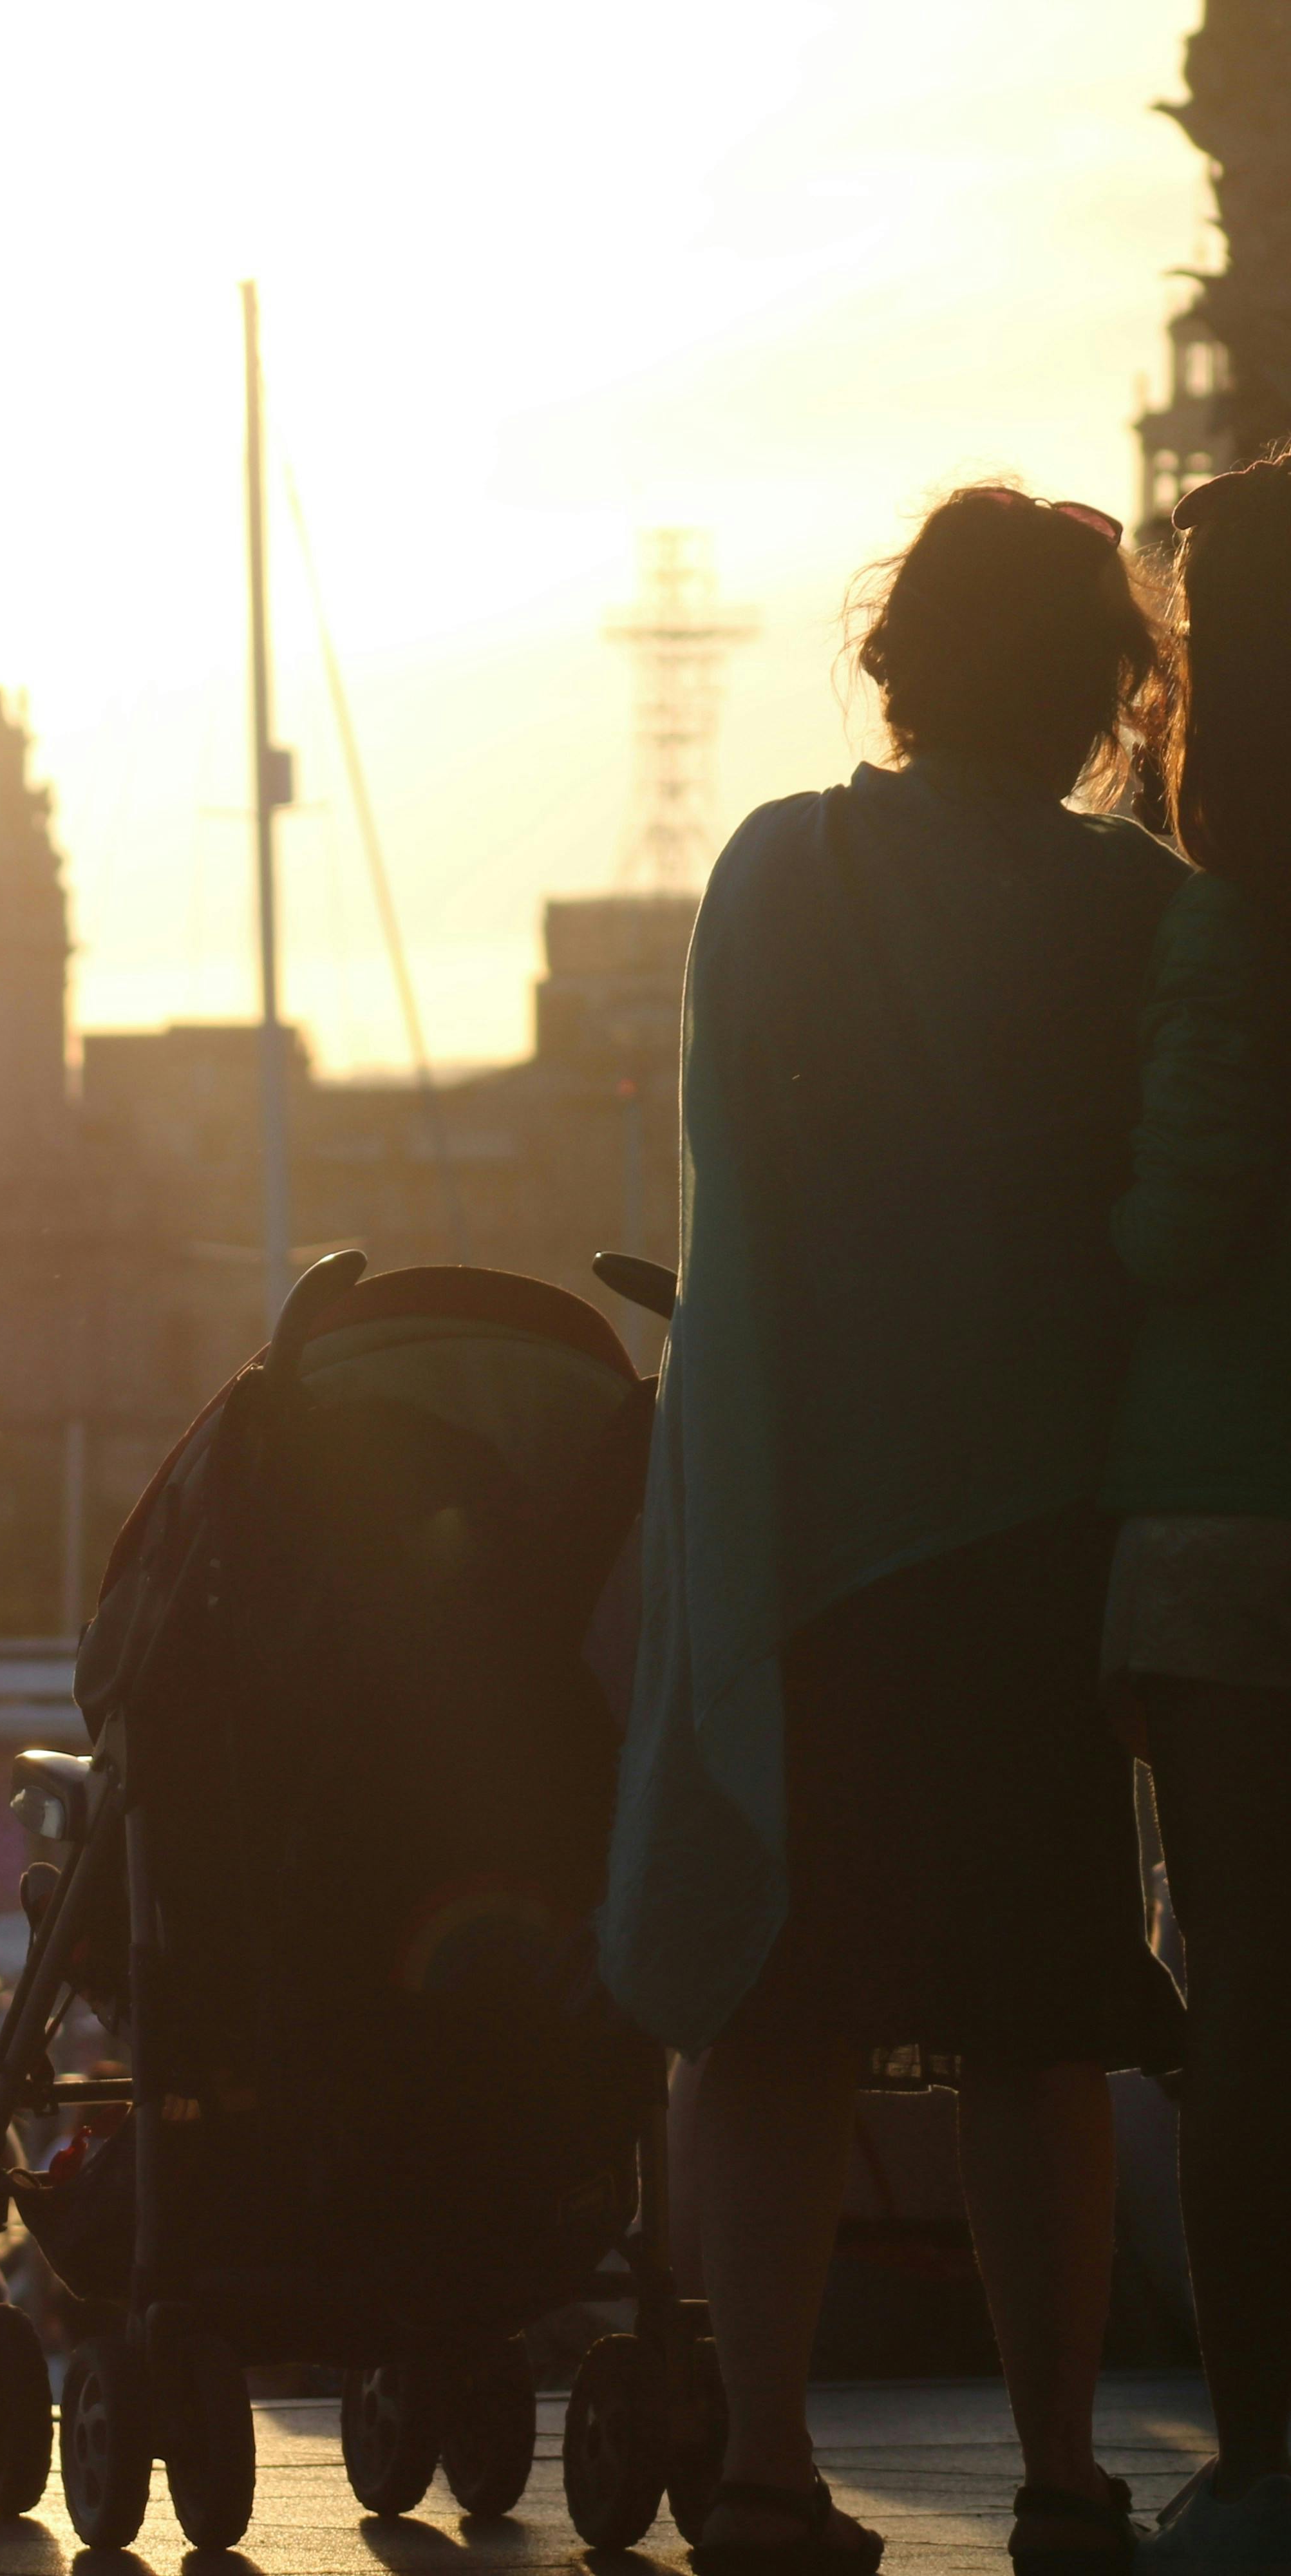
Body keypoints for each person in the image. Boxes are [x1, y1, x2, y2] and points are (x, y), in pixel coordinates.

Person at [601, 485, 1189, 2576]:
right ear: (1102, 689)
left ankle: (765, 2466)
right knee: (1045, 2023)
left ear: (900, 657)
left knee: (776, 2014)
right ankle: (1061, 2478)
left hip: (815, 1542)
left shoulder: (782, 870)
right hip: (1047, 1550)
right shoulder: (1140, 908)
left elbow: (741, 1210)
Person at [1106, 456, 1291, 2574]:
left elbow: (1176, 1224)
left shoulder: (1229, 927)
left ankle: (1262, 2449)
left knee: (1248, 2000)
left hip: (1230, 1528)